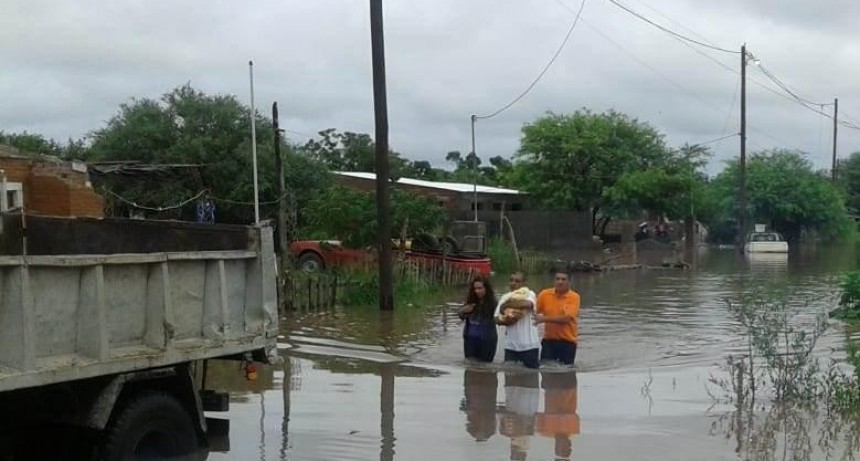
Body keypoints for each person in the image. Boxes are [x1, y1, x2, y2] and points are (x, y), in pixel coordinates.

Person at [495, 272, 540, 369]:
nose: (513, 283)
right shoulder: (505, 297)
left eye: (517, 281)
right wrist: (506, 321)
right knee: (510, 378)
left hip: (529, 346)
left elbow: (527, 304)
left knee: (531, 379)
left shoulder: (529, 294)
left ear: (524, 283)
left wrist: (506, 306)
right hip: (510, 346)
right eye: (511, 280)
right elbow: (495, 318)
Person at [535, 270, 580, 366]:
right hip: (549, 341)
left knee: (567, 374)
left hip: (568, 342)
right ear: (554, 281)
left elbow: (566, 319)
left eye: (563, 279)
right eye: (557, 279)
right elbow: (533, 312)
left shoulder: (574, 297)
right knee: (545, 371)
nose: (560, 282)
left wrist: (543, 319)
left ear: (569, 282)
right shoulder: (544, 294)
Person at [536, 370, 580, 460]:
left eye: (563, 450)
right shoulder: (574, 429)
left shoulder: (544, 431)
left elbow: (536, 416)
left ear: (556, 448)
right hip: (568, 385)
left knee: (550, 365)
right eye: (568, 449)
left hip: (551, 386)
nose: (567, 447)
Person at [458, 276, 499, 362]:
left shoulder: (493, 304)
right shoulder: (470, 302)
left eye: (480, 288)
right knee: (470, 368)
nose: (477, 291)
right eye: (475, 289)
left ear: (486, 289)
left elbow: (499, 319)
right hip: (469, 341)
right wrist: (462, 310)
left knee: (485, 368)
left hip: (487, 341)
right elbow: (461, 316)